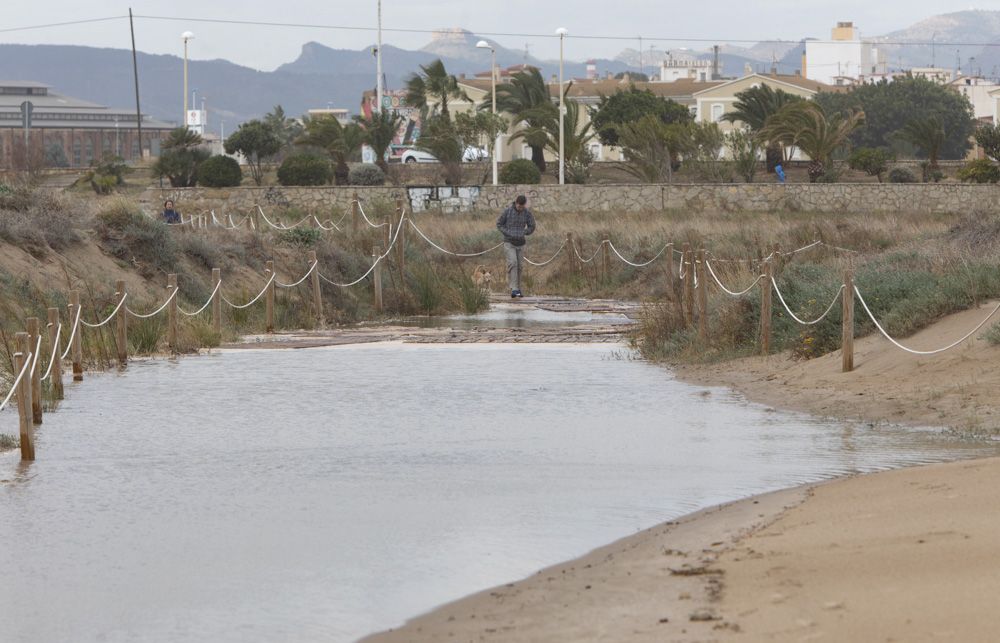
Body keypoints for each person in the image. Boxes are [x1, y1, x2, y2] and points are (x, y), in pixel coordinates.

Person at [496, 194, 536, 298]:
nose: (520, 208)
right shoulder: (507, 211)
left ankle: (518, 289)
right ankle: (513, 289)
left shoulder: (527, 213)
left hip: (521, 243)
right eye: (519, 206)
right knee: (513, 263)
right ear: (516, 203)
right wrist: (508, 233)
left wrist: (525, 232)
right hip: (509, 242)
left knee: (520, 266)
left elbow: (532, 225)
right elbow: (499, 224)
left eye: (522, 207)